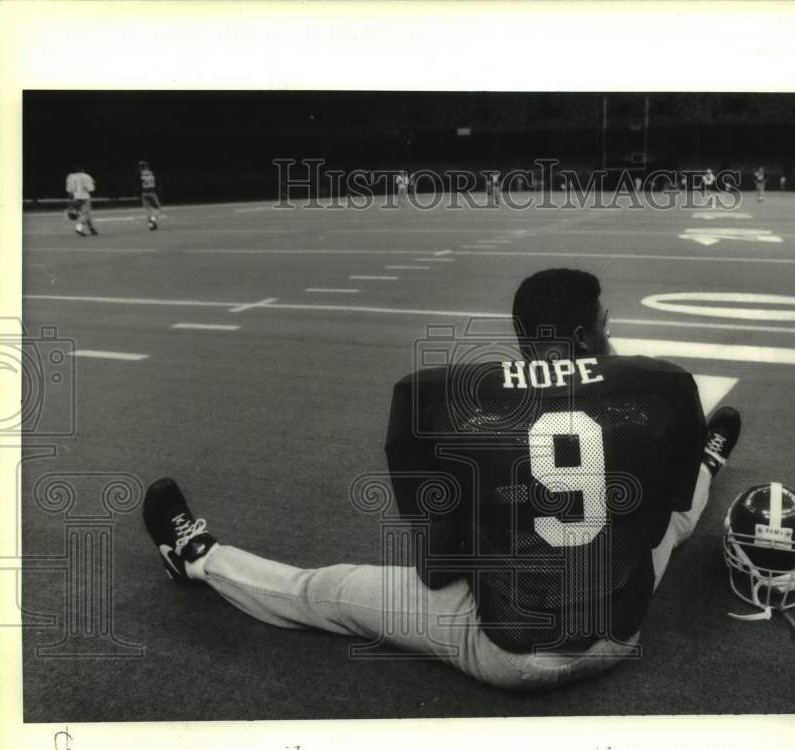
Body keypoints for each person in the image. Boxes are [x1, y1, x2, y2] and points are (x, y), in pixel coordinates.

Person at [142, 268, 742, 690]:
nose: (611, 336)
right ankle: (709, 458)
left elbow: (440, 569)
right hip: (620, 639)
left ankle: (196, 556)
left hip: (515, 656)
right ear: (585, 336)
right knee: (675, 524)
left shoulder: (453, 406)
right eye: (604, 325)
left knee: (322, 591)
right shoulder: (658, 394)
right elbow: (664, 511)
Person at [65, 164, 98, 236]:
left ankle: (92, 229)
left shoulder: (70, 176)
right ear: (82, 170)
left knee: (86, 214)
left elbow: (69, 190)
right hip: (84, 197)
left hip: (74, 198)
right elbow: (91, 189)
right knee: (86, 214)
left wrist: (70, 201)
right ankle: (78, 228)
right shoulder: (86, 176)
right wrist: (93, 183)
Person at [138, 161, 162, 230]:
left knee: (147, 209)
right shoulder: (151, 173)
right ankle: (153, 220)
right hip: (151, 192)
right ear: (146, 166)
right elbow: (156, 182)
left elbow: (138, 184)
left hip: (144, 193)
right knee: (157, 208)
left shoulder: (139, 174)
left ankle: (150, 225)